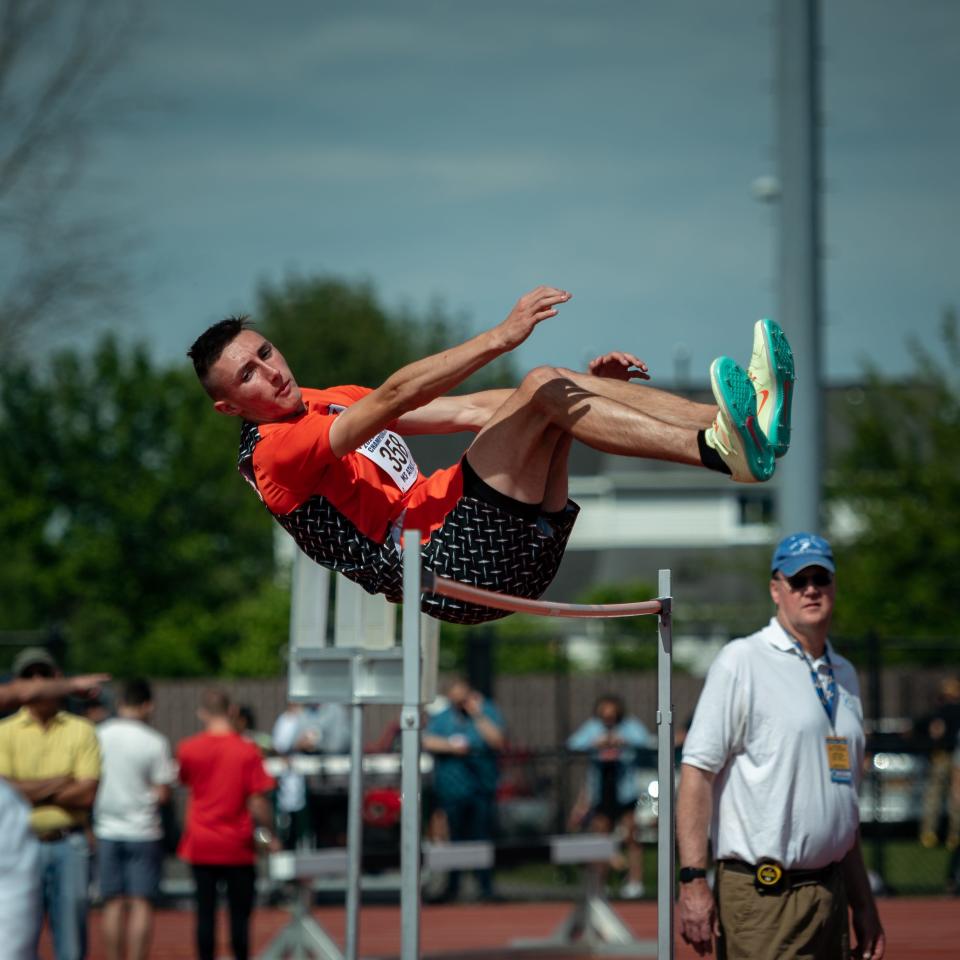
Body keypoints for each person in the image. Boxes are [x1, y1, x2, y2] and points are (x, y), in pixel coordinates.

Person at [188, 288, 794, 624]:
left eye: (265, 352)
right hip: (447, 567)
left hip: (499, 548)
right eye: (248, 374)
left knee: (549, 383)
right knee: (538, 383)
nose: (270, 372)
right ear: (230, 407)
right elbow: (402, 392)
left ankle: (734, 432)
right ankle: (721, 449)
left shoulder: (327, 400)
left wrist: (590, 395)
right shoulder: (273, 455)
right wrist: (500, 337)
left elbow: (478, 410)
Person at [676, 533, 885, 960]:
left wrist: (863, 904)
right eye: (797, 580)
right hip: (764, 897)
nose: (811, 588)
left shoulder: (843, 673)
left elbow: (842, 807)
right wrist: (693, 880)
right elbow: (697, 773)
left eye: (820, 578)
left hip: (831, 893)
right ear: (776, 590)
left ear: (833, 586)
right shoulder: (743, 660)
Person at [0, 647, 102, 960]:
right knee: (13, 941)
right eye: (30, 676)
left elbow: (86, 794)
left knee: (70, 941)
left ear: (55, 677)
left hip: (66, 842)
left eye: (44, 675)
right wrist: (61, 782)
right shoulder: (4, 731)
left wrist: (26, 791)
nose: (37, 683)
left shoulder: (81, 729)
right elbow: (6, 791)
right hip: (16, 846)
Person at [177, 688, 280, 960]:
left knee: (205, 913)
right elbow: (258, 801)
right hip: (237, 844)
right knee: (240, 917)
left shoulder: (189, 749)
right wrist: (271, 834)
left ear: (202, 713)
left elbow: (185, 781)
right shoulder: (247, 750)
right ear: (232, 711)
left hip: (201, 841)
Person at [94, 678, 176, 960]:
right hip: (143, 829)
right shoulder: (155, 741)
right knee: (141, 903)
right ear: (146, 705)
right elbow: (163, 792)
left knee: (112, 904)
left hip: (106, 828)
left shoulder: (98, 735)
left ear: (119, 704)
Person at [422, 677, 505, 902]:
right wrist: (451, 747)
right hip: (452, 788)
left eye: (463, 699)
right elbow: (426, 740)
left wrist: (477, 714)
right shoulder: (442, 718)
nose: (460, 704)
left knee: (481, 837)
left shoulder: (486, 712)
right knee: (455, 838)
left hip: (482, 787)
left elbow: (497, 741)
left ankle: (485, 887)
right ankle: (453, 885)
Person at [567, 693, 654, 899]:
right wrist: (595, 742)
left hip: (624, 789)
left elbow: (646, 740)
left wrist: (623, 741)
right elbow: (573, 743)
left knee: (632, 837)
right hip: (602, 789)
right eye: (604, 715)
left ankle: (635, 882)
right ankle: (601, 882)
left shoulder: (629, 726)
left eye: (612, 715)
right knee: (601, 838)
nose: (608, 719)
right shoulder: (593, 727)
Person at [917, 676, 960, 850]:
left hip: (942, 755)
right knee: (955, 798)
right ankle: (954, 835)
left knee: (934, 796)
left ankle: (929, 833)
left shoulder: (940, 712)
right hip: (954, 755)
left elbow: (935, 730)